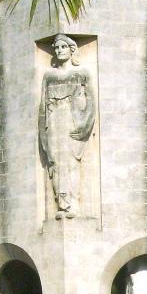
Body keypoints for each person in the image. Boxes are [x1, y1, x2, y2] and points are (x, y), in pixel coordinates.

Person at [38, 34, 96, 218]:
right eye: (56, 48)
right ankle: (61, 204)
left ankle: (73, 204)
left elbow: (91, 103)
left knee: (71, 162)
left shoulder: (82, 73)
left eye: (63, 47)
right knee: (55, 163)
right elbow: (42, 108)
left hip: (72, 122)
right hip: (54, 122)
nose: (59, 51)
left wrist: (85, 125)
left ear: (71, 50)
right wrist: (43, 134)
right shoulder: (48, 76)